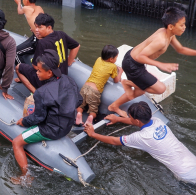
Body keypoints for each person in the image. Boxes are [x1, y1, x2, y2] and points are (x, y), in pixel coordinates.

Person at [108, 7, 196, 118]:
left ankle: (119, 98)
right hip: (133, 64)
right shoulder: (161, 40)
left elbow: (180, 49)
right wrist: (160, 64)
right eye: (181, 25)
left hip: (133, 60)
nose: (184, 28)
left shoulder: (168, 34)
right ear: (171, 26)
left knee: (140, 92)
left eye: (184, 24)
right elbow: (140, 56)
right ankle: (122, 91)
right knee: (160, 89)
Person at [84, 102, 196, 183]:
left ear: (137, 120)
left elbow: (114, 141)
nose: (130, 118)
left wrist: (93, 134)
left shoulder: (141, 137)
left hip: (185, 174)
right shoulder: (157, 121)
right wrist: (118, 119)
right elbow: (136, 122)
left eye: (130, 116)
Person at [12, 49, 82, 184]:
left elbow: (38, 118)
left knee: (16, 143)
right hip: (67, 124)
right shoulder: (69, 80)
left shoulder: (41, 93)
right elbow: (78, 100)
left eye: (39, 71)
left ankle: (25, 176)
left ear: (49, 72)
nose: (36, 73)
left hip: (51, 130)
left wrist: (24, 121)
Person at [16, 13, 80, 93]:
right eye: (36, 27)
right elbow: (76, 46)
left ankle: (36, 93)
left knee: (18, 67)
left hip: (47, 80)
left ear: (49, 27)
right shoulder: (61, 34)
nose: (36, 30)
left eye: (40, 27)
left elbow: (35, 66)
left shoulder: (42, 42)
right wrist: (69, 62)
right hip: (62, 77)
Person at [76, 45, 123, 127]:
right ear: (111, 59)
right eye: (116, 58)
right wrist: (120, 72)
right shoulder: (112, 66)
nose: (116, 60)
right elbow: (116, 80)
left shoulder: (98, 59)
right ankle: (89, 120)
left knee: (81, 105)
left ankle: (79, 114)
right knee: (93, 110)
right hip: (94, 91)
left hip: (85, 87)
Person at [14, 0, 44, 65]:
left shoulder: (26, 8)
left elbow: (19, 11)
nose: (22, 0)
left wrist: (18, 3)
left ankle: (23, 70)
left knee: (15, 52)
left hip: (38, 41)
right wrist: (34, 28)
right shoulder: (39, 8)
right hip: (40, 36)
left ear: (26, 1)